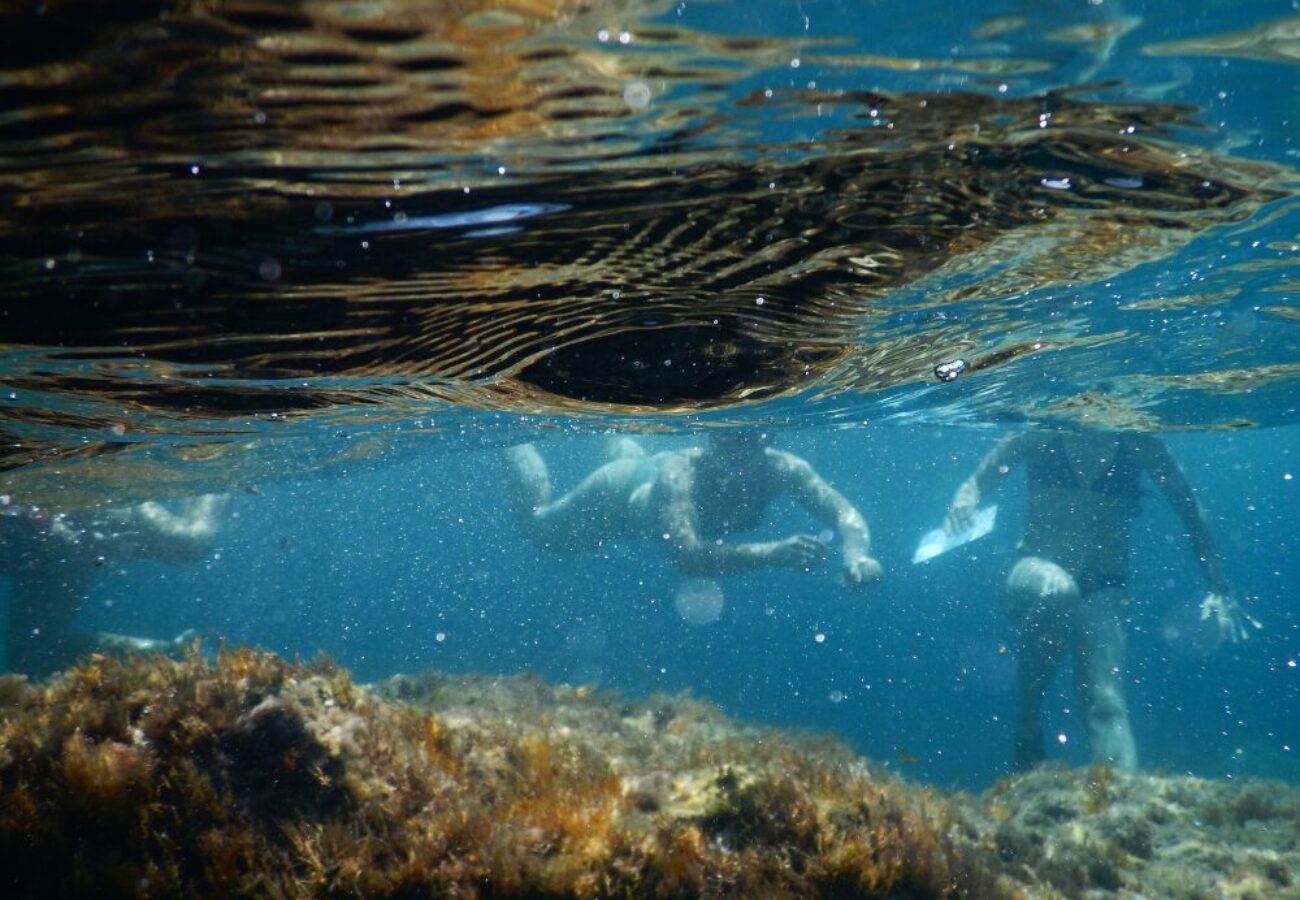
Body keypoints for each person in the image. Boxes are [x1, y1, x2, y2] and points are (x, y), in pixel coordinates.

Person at [943, 428, 1258, 771]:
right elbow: (974, 484)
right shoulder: (1039, 433)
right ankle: (1027, 726)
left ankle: (1123, 801)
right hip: (1030, 570)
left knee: (1107, 702)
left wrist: (1218, 585)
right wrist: (963, 504)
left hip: (1105, 584)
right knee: (1058, 590)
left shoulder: (1141, 444)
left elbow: (1191, 510)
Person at [506, 432, 882, 586]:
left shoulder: (782, 469)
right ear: (709, 442)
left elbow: (842, 513)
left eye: (746, 448)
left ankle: (617, 435)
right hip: (619, 493)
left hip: (649, 476)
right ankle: (517, 440)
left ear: (763, 445)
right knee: (539, 531)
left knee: (643, 460)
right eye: (725, 448)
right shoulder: (681, 472)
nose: (735, 462)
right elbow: (688, 556)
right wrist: (772, 553)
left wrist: (857, 555)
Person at [1, 494, 227, 676]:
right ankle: (169, 651)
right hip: (46, 554)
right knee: (31, 659)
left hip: (88, 509)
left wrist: (84, 549)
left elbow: (64, 543)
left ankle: (219, 478)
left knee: (189, 543)